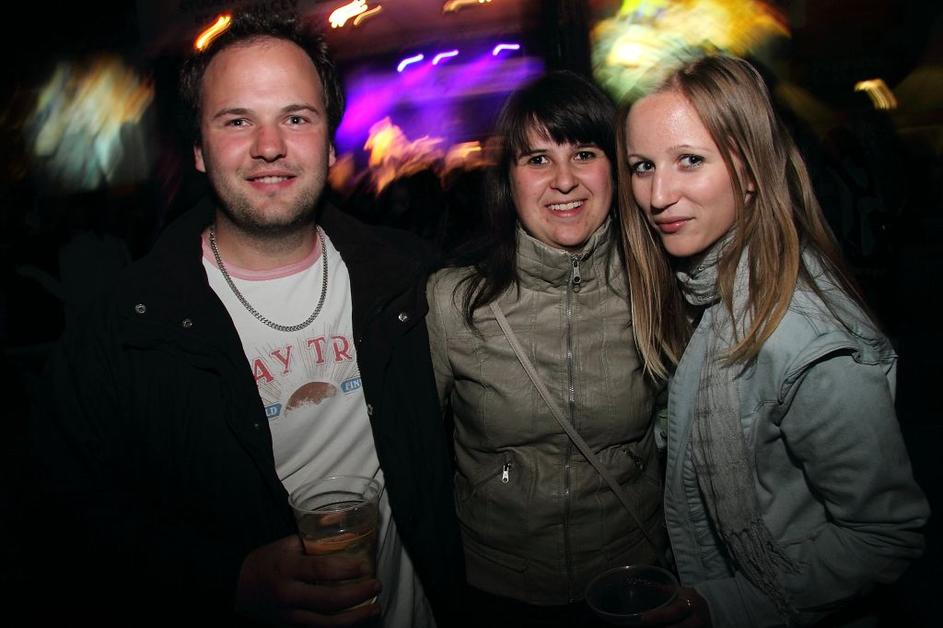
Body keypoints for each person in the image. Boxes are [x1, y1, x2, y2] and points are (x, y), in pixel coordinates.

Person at [29, 10, 464, 627]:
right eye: (237, 120)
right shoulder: (125, 329)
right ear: (199, 150)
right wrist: (226, 581)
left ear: (328, 139)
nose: (269, 146)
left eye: (296, 117)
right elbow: (66, 524)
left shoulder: (412, 282)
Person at [617, 54, 929, 627]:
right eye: (642, 166)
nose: (658, 195)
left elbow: (885, 534)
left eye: (690, 160)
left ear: (751, 169)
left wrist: (723, 605)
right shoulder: (703, 293)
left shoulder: (803, 335)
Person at [426, 70, 665, 627]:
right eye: (537, 159)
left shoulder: (657, 287)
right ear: (508, 180)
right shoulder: (453, 302)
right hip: (496, 586)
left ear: (615, 169)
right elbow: (411, 456)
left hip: (630, 574)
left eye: (584, 154)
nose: (563, 181)